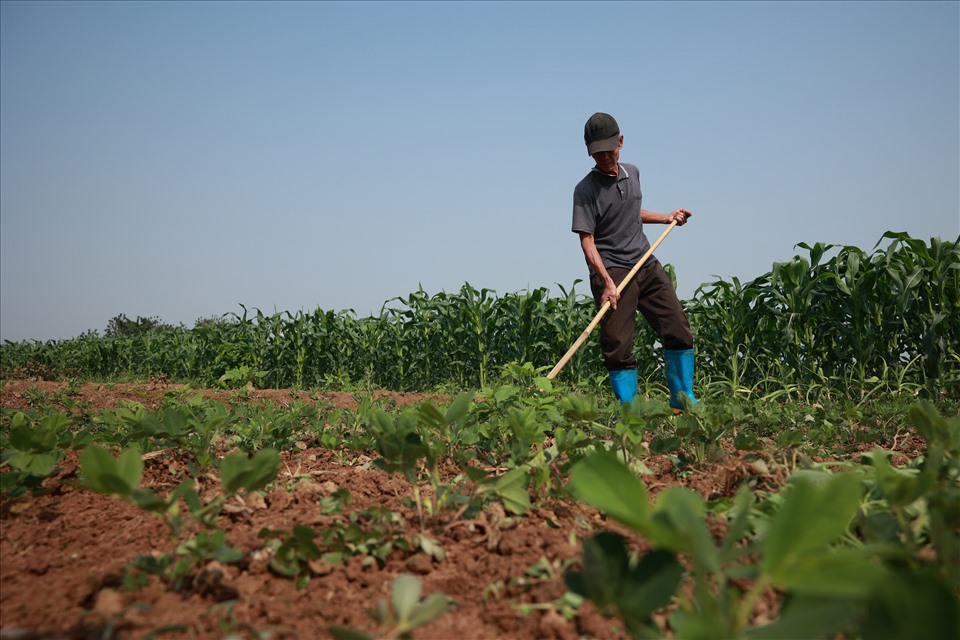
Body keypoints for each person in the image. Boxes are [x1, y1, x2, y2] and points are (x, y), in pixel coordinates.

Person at [571, 112, 698, 410]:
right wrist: (606, 282)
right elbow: (587, 240)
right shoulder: (585, 190)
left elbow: (630, 212)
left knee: (678, 329)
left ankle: (683, 400)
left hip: (645, 263)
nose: (604, 156)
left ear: (621, 142)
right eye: (597, 152)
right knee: (617, 345)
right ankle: (630, 411)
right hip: (613, 269)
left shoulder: (633, 173)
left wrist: (666, 217)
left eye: (609, 149)